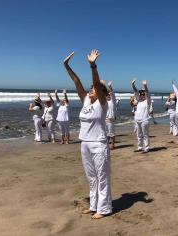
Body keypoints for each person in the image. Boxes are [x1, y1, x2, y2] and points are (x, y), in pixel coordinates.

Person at [63, 50, 112, 219]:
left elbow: (97, 85)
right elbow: (77, 81)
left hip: (99, 144)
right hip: (85, 143)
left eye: (95, 89)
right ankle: (93, 206)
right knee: (91, 177)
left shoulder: (103, 103)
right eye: (90, 88)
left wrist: (93, 66)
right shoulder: (85, 100)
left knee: (102, 177)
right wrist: (66, 66)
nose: (92, 89)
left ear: (103, 93)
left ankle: (103, 209)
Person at [131, 78, 152, 153]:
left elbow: (148, 93)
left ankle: (146, 148)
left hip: (144, 120)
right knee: (139, 135)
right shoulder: (138, 100)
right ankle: (139, 147)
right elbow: (136, 92)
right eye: (141, 94)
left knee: (145, 135)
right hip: (137, 120)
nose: (142, 95)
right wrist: (133, 85)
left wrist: (145, 86)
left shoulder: (147, 101)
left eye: (144, 94)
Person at [106, 81, 117, 149]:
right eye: (107, 95)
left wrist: (110, 87)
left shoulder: (113, 101)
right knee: (106, 133)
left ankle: (112, 145)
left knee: (111, 133)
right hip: (105, 119)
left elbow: (113, 95)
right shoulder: (104, 102)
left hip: (111, 119)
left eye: (109, 95)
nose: (108, 96)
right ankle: (107, 145)